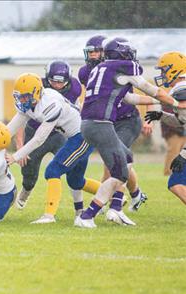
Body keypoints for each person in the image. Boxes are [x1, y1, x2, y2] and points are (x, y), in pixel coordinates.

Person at [75, 39, 185, 228]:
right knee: (120, 171)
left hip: (90, 123)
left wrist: (158, 106)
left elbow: (128, 97)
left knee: (126, 159)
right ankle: (88, 215)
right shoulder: (123, 67)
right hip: (101, 124)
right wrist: (174, 103)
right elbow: (153, 90)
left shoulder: (100, 70)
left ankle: (116, 208)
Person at [6, 73, 101, 224]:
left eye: (25, 96)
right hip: (74, 137)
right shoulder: (32, 102)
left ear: (36, 93)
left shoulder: (50, 103)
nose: (22, 100)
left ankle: (49, 216)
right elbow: (11, 128)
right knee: (76, 181)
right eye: (20, 96)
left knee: (53, 170)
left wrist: (15, 157)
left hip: (83, 136)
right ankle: (115, 194)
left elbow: (39, 139)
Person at [79, 35, 149, 213]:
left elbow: (144, 90)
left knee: (117, 161)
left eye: (96, 51)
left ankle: (112, 205)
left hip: (126, 119)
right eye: (90, 52)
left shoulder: (121, 67)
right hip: (106, 121)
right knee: (118, 159)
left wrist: (149, 116)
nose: (93, 55)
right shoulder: (86, 72)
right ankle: (135, 194)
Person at [15, 60, 81, 209]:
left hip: (59, 133)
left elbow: (77, 106)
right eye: (52, 81)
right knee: (28, 172)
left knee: (72, 167)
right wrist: (20, 145)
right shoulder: (35, 85)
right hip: (35, 130)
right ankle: (26, 192)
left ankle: (80, 205)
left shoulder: (74, 87)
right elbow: (21, 115)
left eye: (60, 82)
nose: (57, 85)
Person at [145, 51, 186, 205]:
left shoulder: (181, 90)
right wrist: (161, 115)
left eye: (164, 70)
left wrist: (184, 154)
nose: (162, 74)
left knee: (176, 183)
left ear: (174, 69)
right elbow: (182, 121)